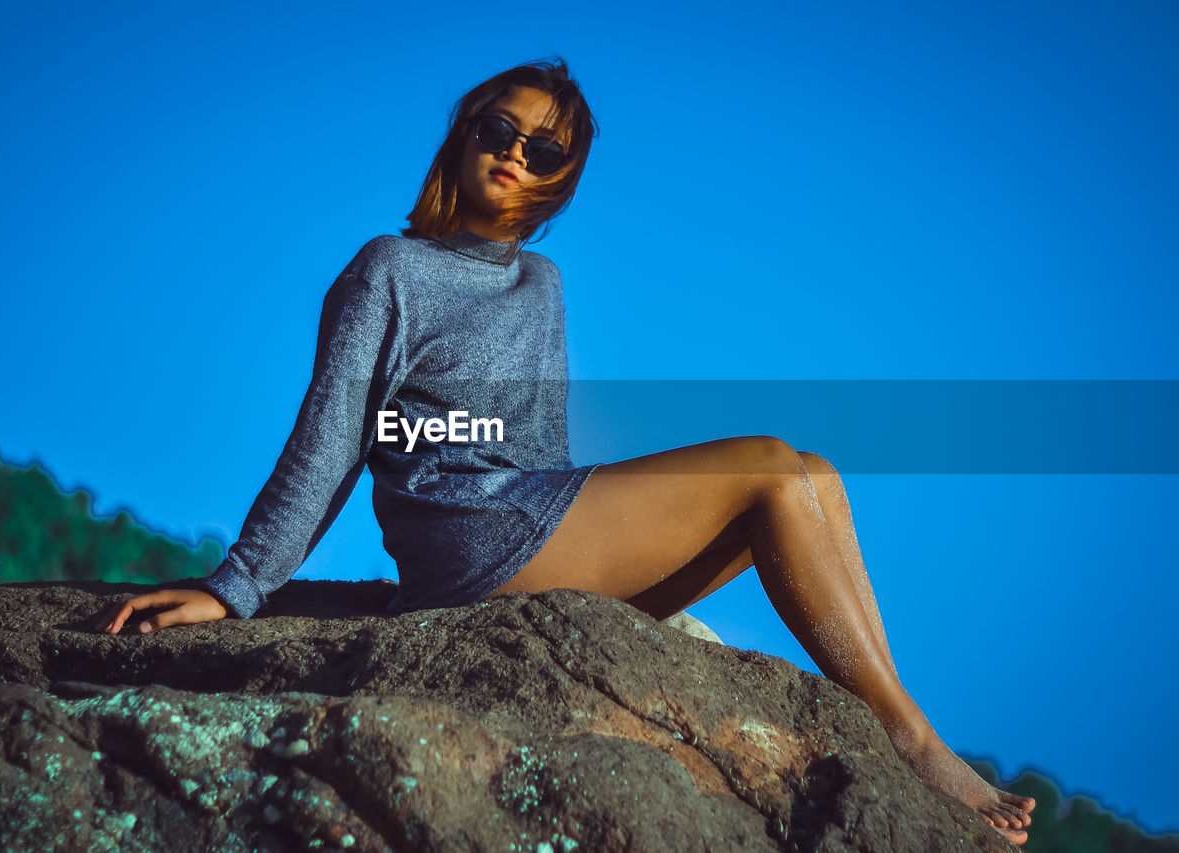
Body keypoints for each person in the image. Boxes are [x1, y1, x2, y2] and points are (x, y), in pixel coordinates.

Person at [95, 57, 1037, 844]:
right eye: (496, 130)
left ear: (559, 180)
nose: (512, 153)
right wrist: (238, 584)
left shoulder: (540, 283)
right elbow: (336, 435)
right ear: (462, 137)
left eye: (541, 148)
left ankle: (895, 718)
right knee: (766, 468)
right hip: (469, 541)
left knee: (811, 478)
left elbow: (534, 446)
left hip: (530, 514)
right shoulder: (388, 269)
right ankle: (909, 737)